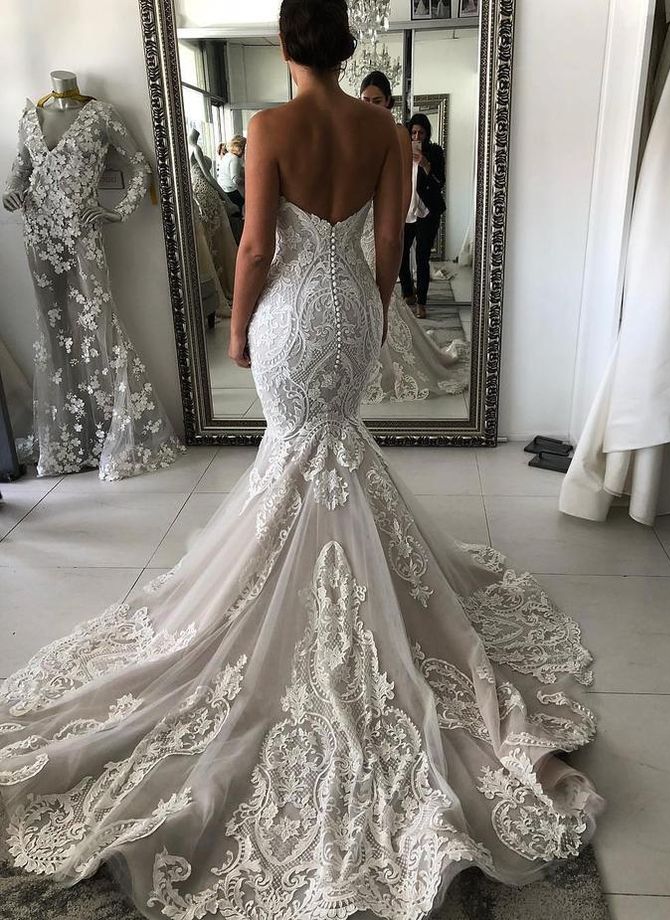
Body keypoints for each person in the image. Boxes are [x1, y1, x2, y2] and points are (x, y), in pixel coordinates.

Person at [0, 2, 603, 917]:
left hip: (288, 308)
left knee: (294, 454)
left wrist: (239, 329)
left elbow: (252, 243)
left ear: (287, 45)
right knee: (337, 450)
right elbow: (393, 244)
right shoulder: (386, 130)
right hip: (353, 308)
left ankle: (284, 588)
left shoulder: (268, 126)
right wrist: (362, 312)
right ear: (345, 46)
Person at [359, 70, 469, 401]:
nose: (370, 106)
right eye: (364, 100)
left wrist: (390, 219)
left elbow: (405, 191)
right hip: (358, 220)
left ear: (389, 102)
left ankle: (392, 348)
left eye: (376, 100)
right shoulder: (355, 132)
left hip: (386, 215)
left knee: (385, 284)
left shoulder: (398, 135)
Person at [399, 112, 446, 319]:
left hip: (427, 211)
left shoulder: (435, 152)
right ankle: (408, 291)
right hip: (406, 210)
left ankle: (422, 303)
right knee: (400, 253)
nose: (416, 137)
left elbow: (439, 183)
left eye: (421, 133)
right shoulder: (401, 152)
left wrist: (426, 164)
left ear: (427, 134)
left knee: (422, 257)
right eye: (413, 133)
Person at [217, 135, 246, 211]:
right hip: (232, 193)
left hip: (224, 191)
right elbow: (235, 180)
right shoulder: (235, 159)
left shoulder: (227, 156)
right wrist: (247, 181)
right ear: (240, 148)